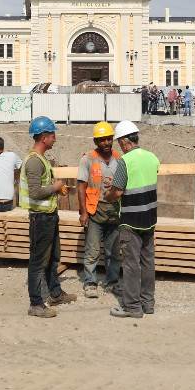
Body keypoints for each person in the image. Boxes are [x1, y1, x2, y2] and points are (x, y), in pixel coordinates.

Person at [20, 116, 77, 318]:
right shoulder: (34, 162)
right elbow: (35, 192)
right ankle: (36, 304)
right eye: (53, 135)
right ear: (44, 137)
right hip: (40, 219)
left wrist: (56, 190)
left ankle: (55, 293)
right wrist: (56, 186)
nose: (55, 139)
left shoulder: (42, 159)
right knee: (38, 261)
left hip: (49, 216)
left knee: (53, 258)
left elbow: (43, 188)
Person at [106, 120, 158, 319]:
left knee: (130, 264)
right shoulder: (152, 157)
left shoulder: (124, 161)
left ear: (125, 142)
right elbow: (142, 180)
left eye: (120, 142)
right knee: (148, 261)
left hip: (130, 221)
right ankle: (148, 303)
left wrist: (108, 194)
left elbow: (118, 192)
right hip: (149, 218)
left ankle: (132, 307)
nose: (119, 146)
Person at [77, 122, 124, 299]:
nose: (106, 142)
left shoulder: (119, 159)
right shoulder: (87, 159)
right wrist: (83, 212)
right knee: (92, 250)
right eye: (102, 139)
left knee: (113, 251)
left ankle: (112, 282)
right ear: (96, 141)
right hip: (95, 210)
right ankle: (90, 282)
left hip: (114, 210)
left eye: (109, 138)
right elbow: (81, 186)